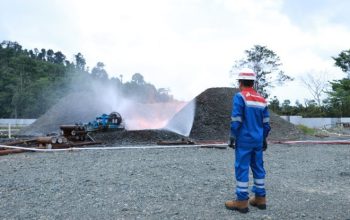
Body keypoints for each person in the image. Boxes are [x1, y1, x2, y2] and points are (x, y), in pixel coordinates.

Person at [225, 68, 271, 213]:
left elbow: (237, 118)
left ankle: (241, 202)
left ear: (240, 82)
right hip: (258, 140)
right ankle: (260, 199)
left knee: (242, 168)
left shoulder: (240, 97)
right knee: (258, 167)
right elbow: (266, 123)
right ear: (253, 83)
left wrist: (233, 135)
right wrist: (264, 138)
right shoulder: (262, 99)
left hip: (244, 140)